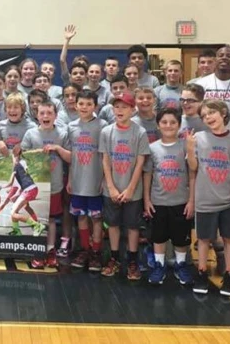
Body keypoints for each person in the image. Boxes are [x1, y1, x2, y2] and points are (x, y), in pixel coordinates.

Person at [187, 99, 230, 296]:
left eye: (211, 113)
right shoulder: (198, 138)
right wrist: (189, 148)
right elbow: (193, 167)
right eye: (204, 116)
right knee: (203, 239)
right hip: (205, 198)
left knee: (229, 239)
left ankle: (229, 276)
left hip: (229, 200)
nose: (208, 117)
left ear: (223, 113)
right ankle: (202, 273)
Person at [100, 92, 151, 279]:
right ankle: (114, 258)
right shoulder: (107, 131)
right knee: (112, 224)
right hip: (111, 189)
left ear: (132, 110)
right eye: (116, 107)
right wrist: (111, 187)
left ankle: (132, 261)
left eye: (124, 107)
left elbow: (140, 163)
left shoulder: (140, 132)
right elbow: (105, 161)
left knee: (132, 226)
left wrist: (130, 188)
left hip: (133, 191)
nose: (119, 110)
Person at [143, 108, 195, 285]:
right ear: (158, 125)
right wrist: (147, 200)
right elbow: (148, 175)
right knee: (158, 237)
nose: (168, 125)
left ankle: (181, 265)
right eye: (164, 122)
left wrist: (191, 200)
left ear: (179, 125)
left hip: (181, 201)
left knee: (181, 238)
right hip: (158, 201)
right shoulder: (152, 148)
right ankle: (159, 265)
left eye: (173, 122)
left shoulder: (184, 145)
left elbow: (192, 173)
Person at [20, 100, 71, 268]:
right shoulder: (30, 134)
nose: (45, 116)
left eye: (49, 113)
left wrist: (57, 148)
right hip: (35, 185)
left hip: (55, 184)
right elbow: (23, 157)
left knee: (50, 219)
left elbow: (71, 158)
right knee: (36, 218)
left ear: (56, 115)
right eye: (42, 113)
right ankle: (37, 250)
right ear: (36, 115)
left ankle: (50, 250)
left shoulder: (63, 134)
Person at [67, 91, 107, 270]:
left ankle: (96, 253)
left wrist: (104, 179)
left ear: (95, 106)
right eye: (81, 103)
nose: (84, 107)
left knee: (97, 218)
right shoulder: (71, 126)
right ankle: (84, 249)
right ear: (75, 105)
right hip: (77, 180)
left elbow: (106, 156)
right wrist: (69, 179)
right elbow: (72, 156)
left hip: (95, 180)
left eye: (88, 104)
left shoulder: (102, 126)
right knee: (81, 216)